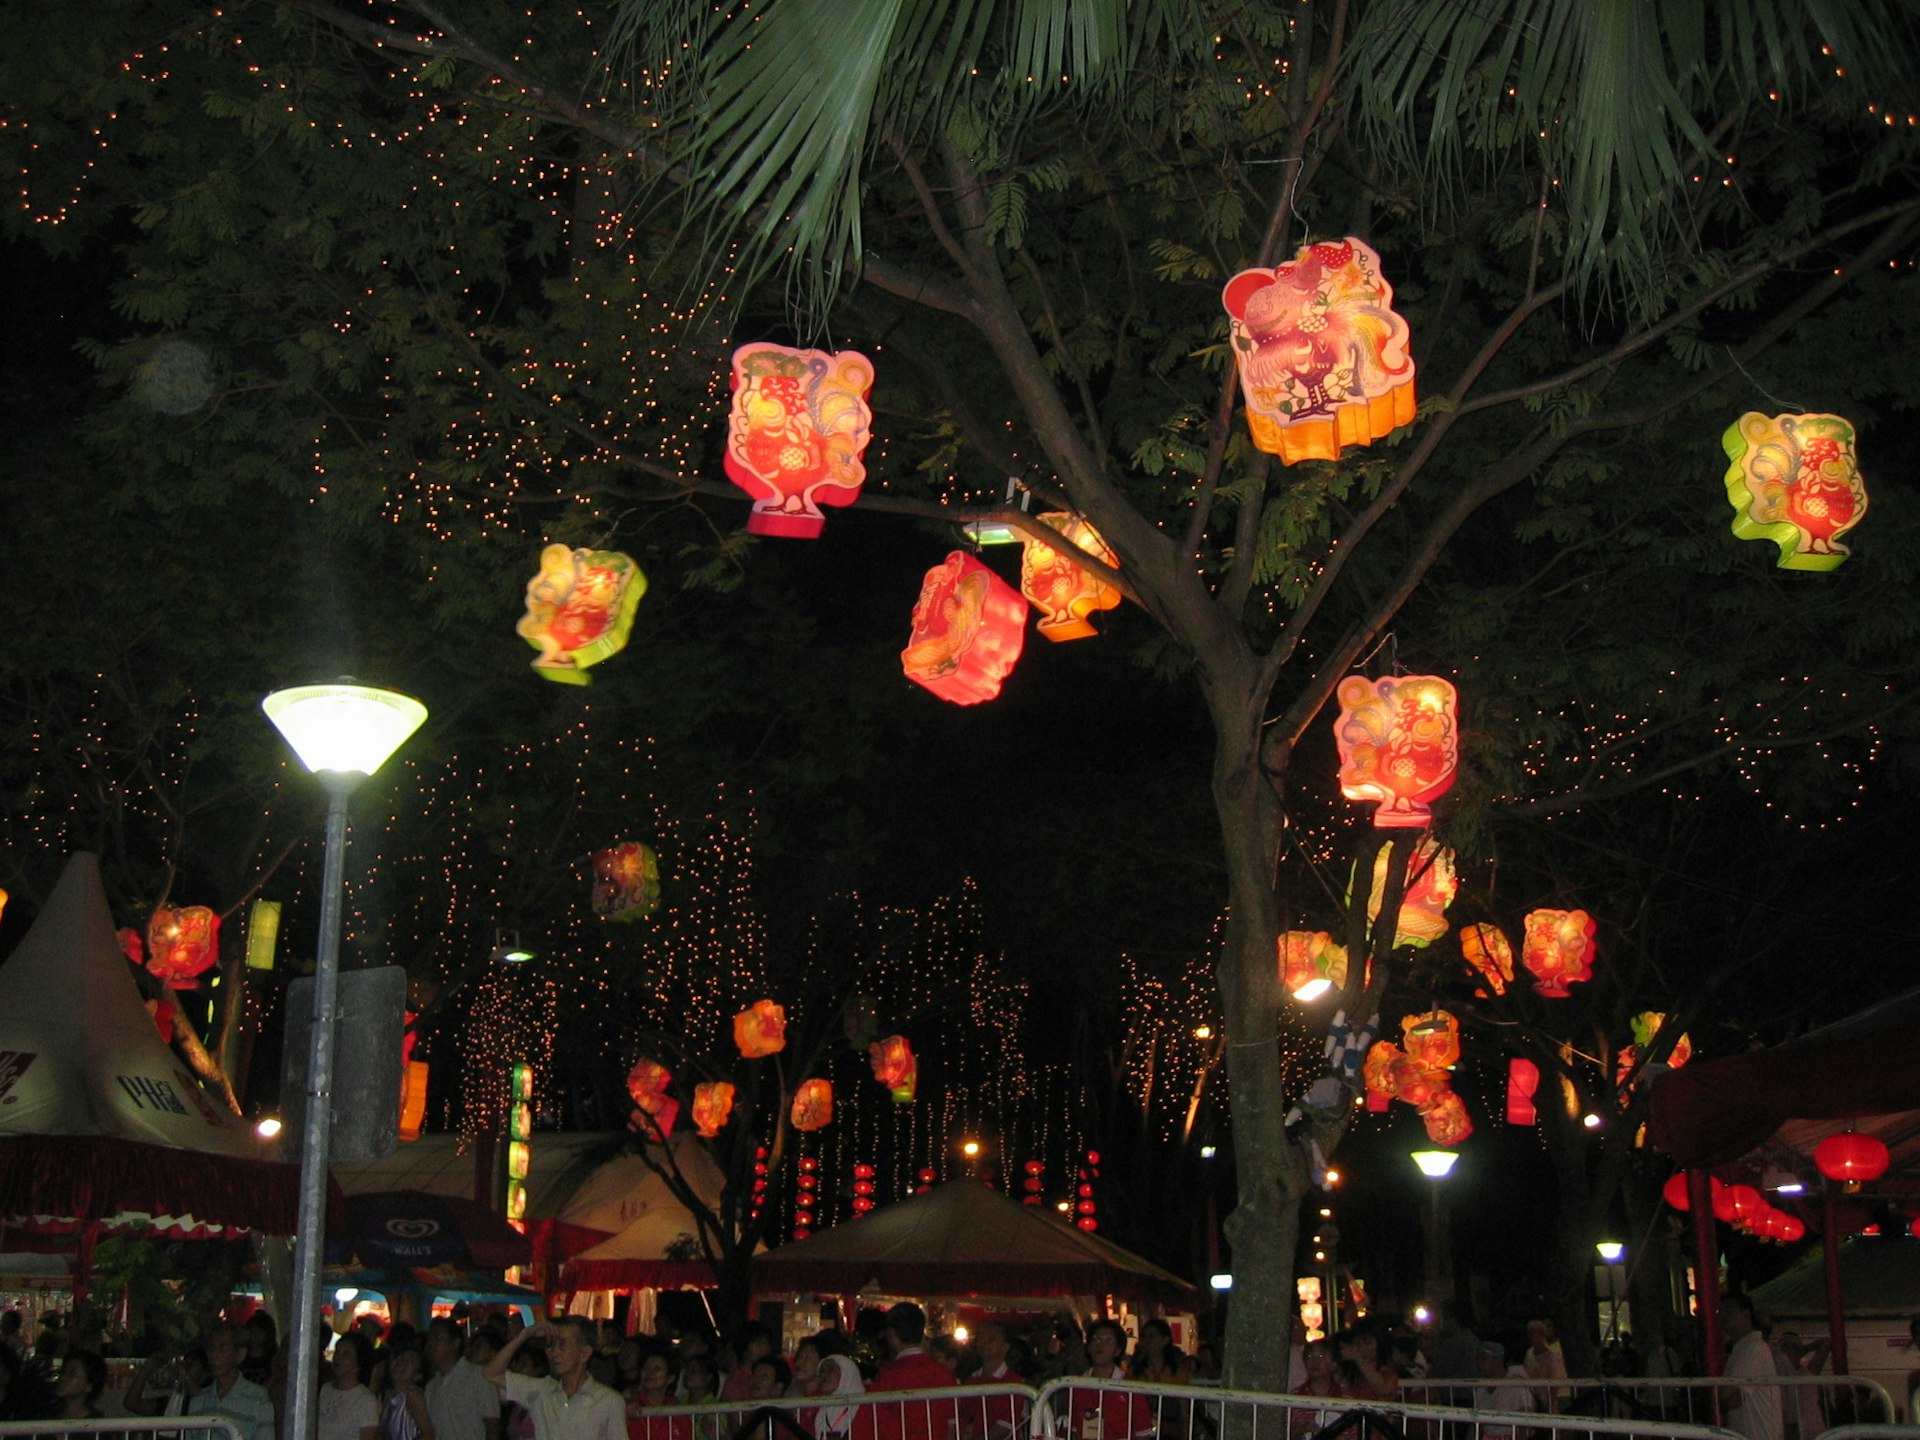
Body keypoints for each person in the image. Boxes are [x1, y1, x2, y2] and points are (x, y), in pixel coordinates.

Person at [485, 1318, 626, 1440]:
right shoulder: (541, 1390)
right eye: (552, 1345)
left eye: (562, 1345)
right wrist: (525, 1334)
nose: (554, 1353)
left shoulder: (608, 1401)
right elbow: (491, 1372)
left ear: (584, 1353)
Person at [863, 1303, 958, 1440]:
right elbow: (951, 1426)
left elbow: (880, 1425)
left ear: (892, 1334)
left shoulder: (888, 1376)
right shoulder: (943, 1372)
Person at [1064, 1319, 1154, 1440]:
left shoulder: (1132, 1388)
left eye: (1108, 1340)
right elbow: (1074, 1430)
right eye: (1096, 1339)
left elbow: (1143, 1433)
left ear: (1117, 1350)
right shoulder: (1077, 1386)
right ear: (1088, 1347)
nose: (1100, 1344)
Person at [189, 1322, 277, 1440]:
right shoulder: (198, 1401)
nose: (214, 1355)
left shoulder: (258, 1398)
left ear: (240, 1354)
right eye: (211, 1348)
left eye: (222, 1348)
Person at [425, 1318, 502, 1440]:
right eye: (430, 1339)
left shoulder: (478, 1377)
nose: (431, 1345)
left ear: (455, 1343)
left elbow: (492, 1425)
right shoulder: (432, 1387)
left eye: (437, 1339)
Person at [1721, 1294, 1783, 1440]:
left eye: (1729, 1311)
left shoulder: (1753, 1347)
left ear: (1746, 1314)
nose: (1724, 1317)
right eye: (1721, 1311)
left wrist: (1721, 1401)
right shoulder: (1742, 1348)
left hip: (1757, 1434)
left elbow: (1730, 1397)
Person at [961, 1321, 1025, 1440]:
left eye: (991, 1339)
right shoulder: (971, 1380)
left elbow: (1004, 1426)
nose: (984, 1343)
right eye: (981, 1338)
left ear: (1005, 1347)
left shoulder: (1013, 1383)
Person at [320, 1330, 383, 1440]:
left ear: (359, 1362)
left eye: (346, 1354)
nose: (338, 1358)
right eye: (337, 1352)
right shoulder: (325, 1389)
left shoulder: (365, 1400)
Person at [1472, 1341, 1536, 1440]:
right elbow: (1476, 1426)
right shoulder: (1481, 1390)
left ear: (1497, 1360)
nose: (1478, 1364)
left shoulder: (1516, 1386)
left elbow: (1524, 1424)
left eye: (1482, 1359)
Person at [382, 1346, 436, 1440]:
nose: (400, 1362)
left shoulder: (413, 1395)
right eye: (399, 1358)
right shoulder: (388, 1395)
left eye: (409, 1361)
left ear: (418, 1375)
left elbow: (428, 1434)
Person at [813, 1354, 867, 1440]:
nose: (824, 1375)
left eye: (830, 1369)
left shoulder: (867, 1408)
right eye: (822, 1371)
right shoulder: (816, 1409)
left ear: (847, 1373)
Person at [53, 1349, 109, 1430]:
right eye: (63, 1372)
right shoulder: (48, 1416)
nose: (63, 1378)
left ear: (89, 1386)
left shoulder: (96, 1427)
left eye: (72, 1374)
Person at [1523, 1319, 1567, 1414]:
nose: (1531, 1337)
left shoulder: (1550, 1356)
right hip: (1532, 1399)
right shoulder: (1529, 1354)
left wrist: (1550, 1405)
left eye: (1533, 1334)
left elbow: (1553, 1382)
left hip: (1546, 1400)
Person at [1129, 1320, 1192, 1385]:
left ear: (1165, 1340)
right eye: (1144, 1336)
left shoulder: (1178, 1372)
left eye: (1152, 1336)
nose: (1146, 1341)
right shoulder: (1134, 1371)